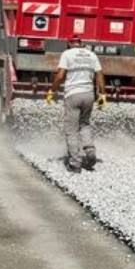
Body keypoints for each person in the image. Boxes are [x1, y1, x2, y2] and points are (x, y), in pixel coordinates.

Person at [47, 36, 106, 172]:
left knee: (71, 129)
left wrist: (52, 91)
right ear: (81, 44)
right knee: (84, 124)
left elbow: (61, 75)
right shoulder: (91, 55)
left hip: (73, 95)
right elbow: (100, 75)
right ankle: (90, 150)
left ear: (68, 44)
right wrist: (102, 94)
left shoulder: (67, 54)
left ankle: (75, 163)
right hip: (89, 95)